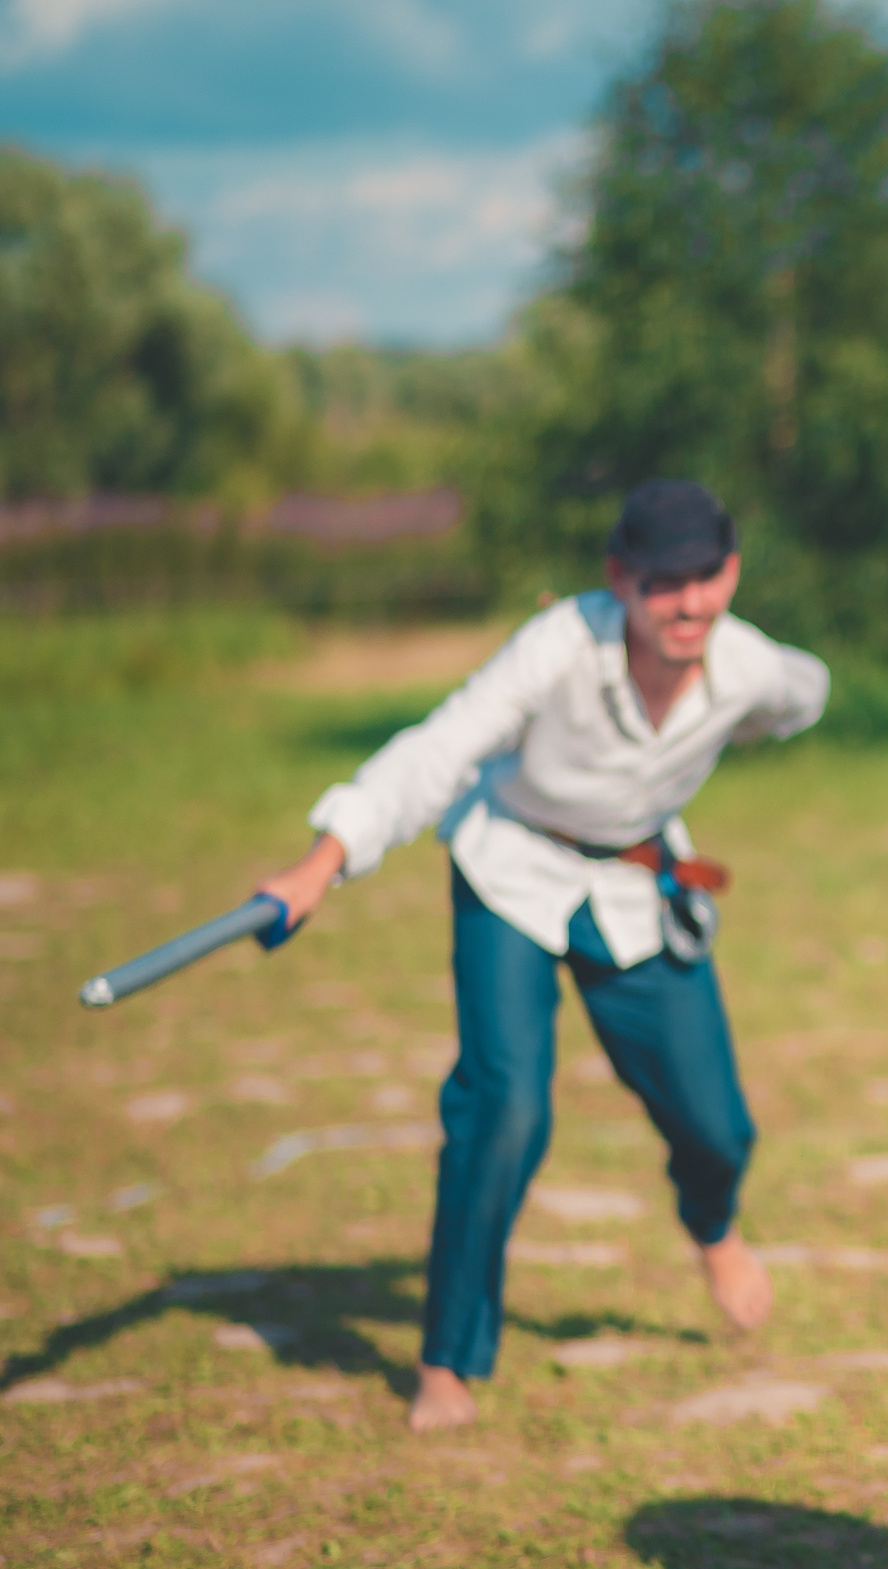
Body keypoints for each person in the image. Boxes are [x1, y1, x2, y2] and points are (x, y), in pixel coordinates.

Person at [256, 479, 830, 1432]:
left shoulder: (746, 666)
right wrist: (324, 862)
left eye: (705, 578)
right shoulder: (558, 647)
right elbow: (437, 750)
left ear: (731, 573)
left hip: (637, 886)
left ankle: (712, 1226)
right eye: (663, 583)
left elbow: (804, 694)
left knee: (717, 1125)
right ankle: (447, 1358)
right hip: (511, 871)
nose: (688, 603)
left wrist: (759, 715)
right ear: (620, 578)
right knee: (506, 1110)